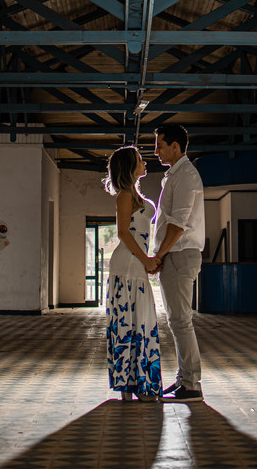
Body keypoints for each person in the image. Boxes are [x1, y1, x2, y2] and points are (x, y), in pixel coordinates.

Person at [103, 145, 162, 402]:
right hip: (128, 265)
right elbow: (123, 233)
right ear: (129, 167)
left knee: (141, 323)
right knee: (128, 323)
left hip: (137, 263)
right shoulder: (125, 196)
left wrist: (150, 259)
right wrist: (146, 260)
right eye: (140, 159)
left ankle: (140, 385)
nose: (145, 162)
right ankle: (130, 387)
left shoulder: (135, 195)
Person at [152, 123, 205, 402]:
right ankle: (184, 378)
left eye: (160, 144)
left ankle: (192, 385)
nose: (156, 150)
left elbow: (178, 223)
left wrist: (160, 254)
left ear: (176, 146)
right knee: (177, 320)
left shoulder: (186, 175)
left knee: (181, 321)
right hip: (175, 254)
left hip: (180, 254)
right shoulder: (175, 175)